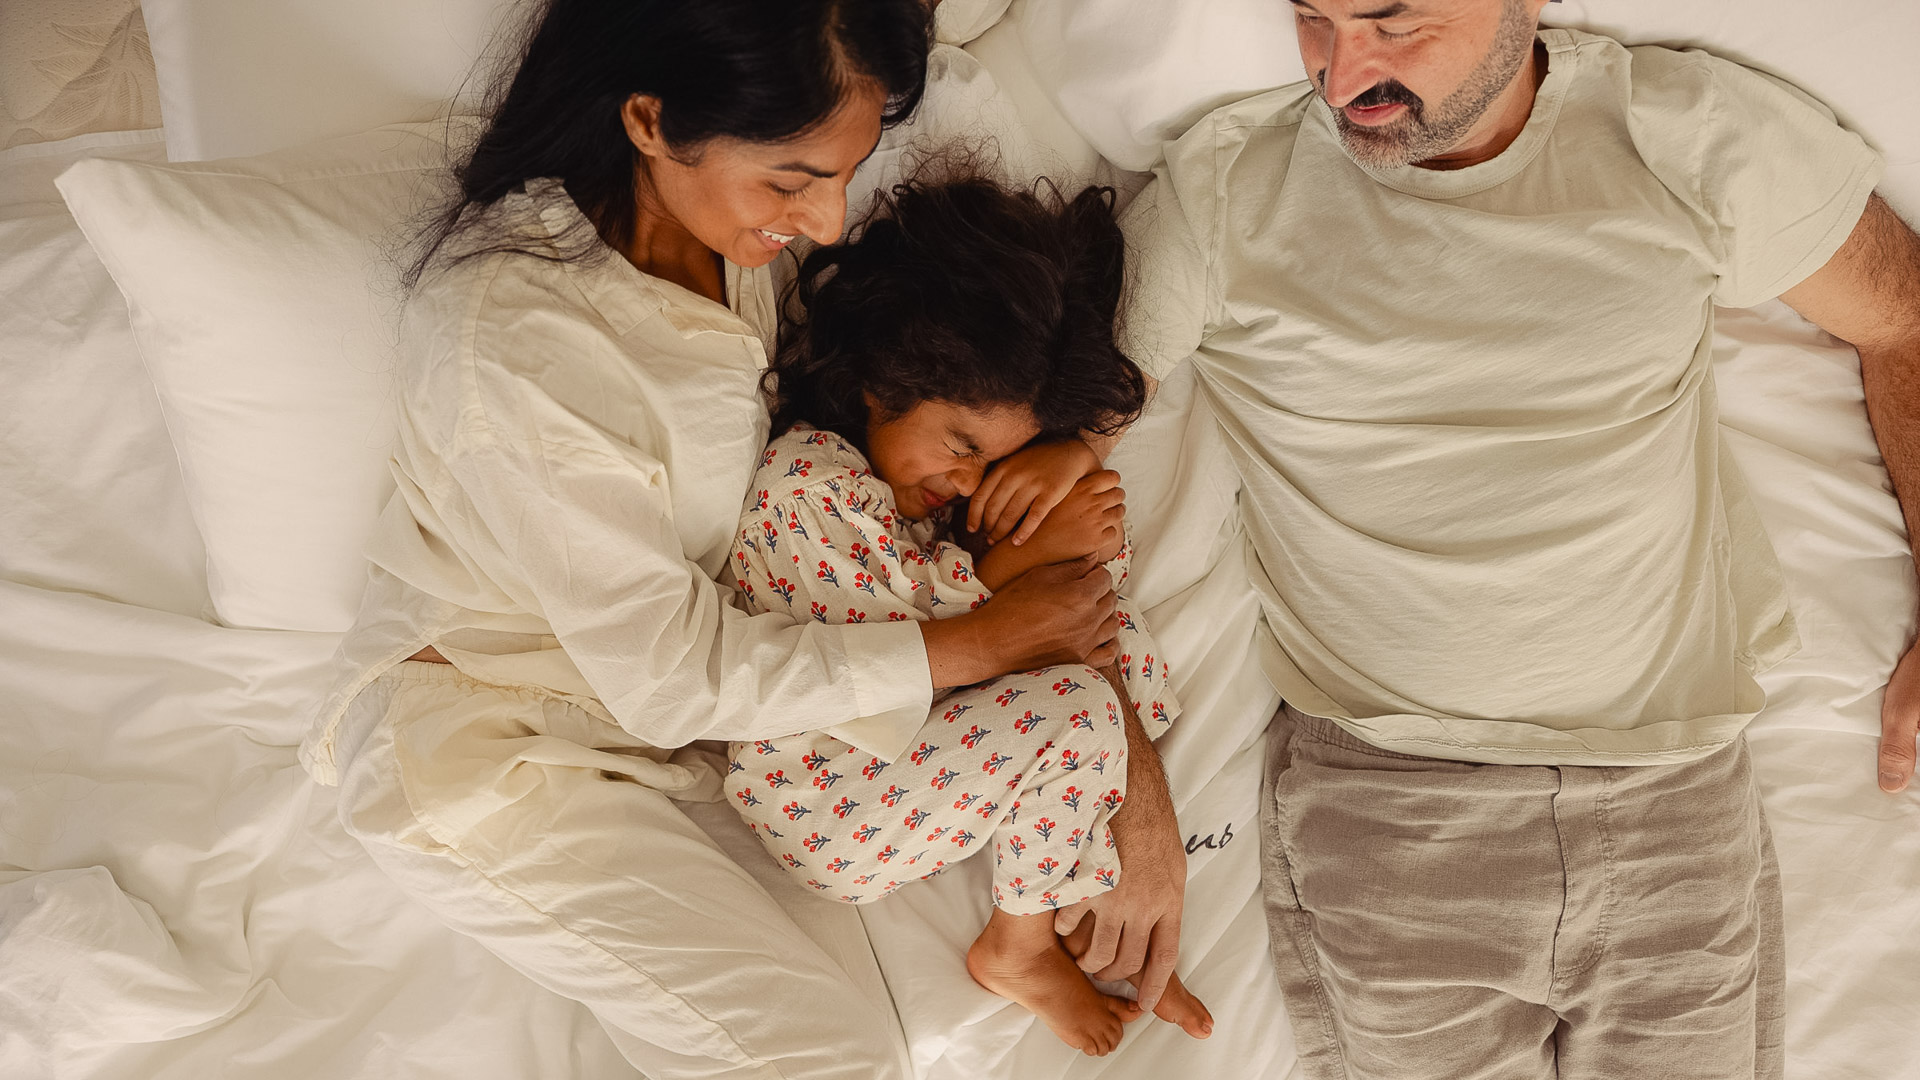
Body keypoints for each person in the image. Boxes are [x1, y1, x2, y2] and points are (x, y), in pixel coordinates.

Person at [291, 1, 1187, 1076]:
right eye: (794, 179)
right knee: (826, 1057)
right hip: (501, 750)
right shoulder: (523, 345)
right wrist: (986, 640)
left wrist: (1074, 444)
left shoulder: (720, 235)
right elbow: (670, 677)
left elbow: (978, 352)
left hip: (691, 737)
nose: (823, 220)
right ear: (650, 120)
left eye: (843, 175)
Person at [1116, 0, 1920, 1076]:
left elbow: (1902, 316)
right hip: (1394, 809)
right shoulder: (1225, 195)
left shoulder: (1676, 135)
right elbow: (1033, 469)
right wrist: (1122, 792)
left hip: (1669, 801)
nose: (1343, 69)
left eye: (1392, 22)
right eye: (1313, 17)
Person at [723, 176, 1213, 1055]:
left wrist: (1056, 510)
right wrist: (1020, 560)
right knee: (1080, 706)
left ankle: (1087, 913)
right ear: (882, 384)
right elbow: (908, 653)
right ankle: (1018, 944)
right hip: (827, 792)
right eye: (962, 445)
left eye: (997, 461)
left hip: (919, 782)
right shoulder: (805, 484)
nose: (969, 479)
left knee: (1092, 672)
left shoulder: (932, 505)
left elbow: (1064, 615)